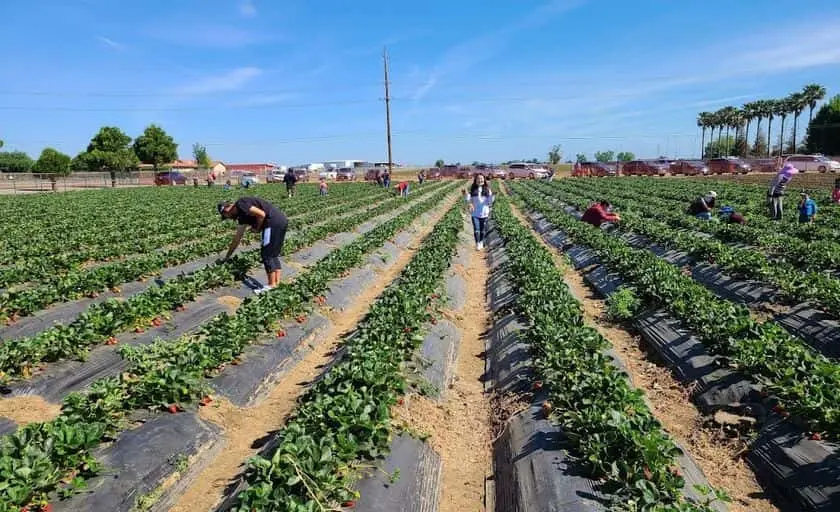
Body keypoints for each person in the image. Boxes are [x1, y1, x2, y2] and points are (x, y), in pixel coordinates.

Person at [218, 197, 288, 294]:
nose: (228, 218)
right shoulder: (241, 216)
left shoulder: (241, 204)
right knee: (273, 254)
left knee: (267, 254)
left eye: (226, 216)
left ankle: (271, 285)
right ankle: (276, 283)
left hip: (272, 223)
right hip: (280, 221)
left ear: (225, 210)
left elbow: (261, 214)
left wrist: (257, 228)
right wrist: (227, 256)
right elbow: (237, 238)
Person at [465, 174, 493, 250]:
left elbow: (490, 202)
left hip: (484, 213)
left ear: (484, 180)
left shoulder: (487, 190)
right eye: (478, 179)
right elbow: (468, 200)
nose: (480, 180)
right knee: (476, 229)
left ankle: (481, 242)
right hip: (475, 213)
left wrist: (492, 196)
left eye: (481, 179)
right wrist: (469, 201)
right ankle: (477, 243)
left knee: (482, 230)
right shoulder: (473, 190)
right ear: (475, 180)